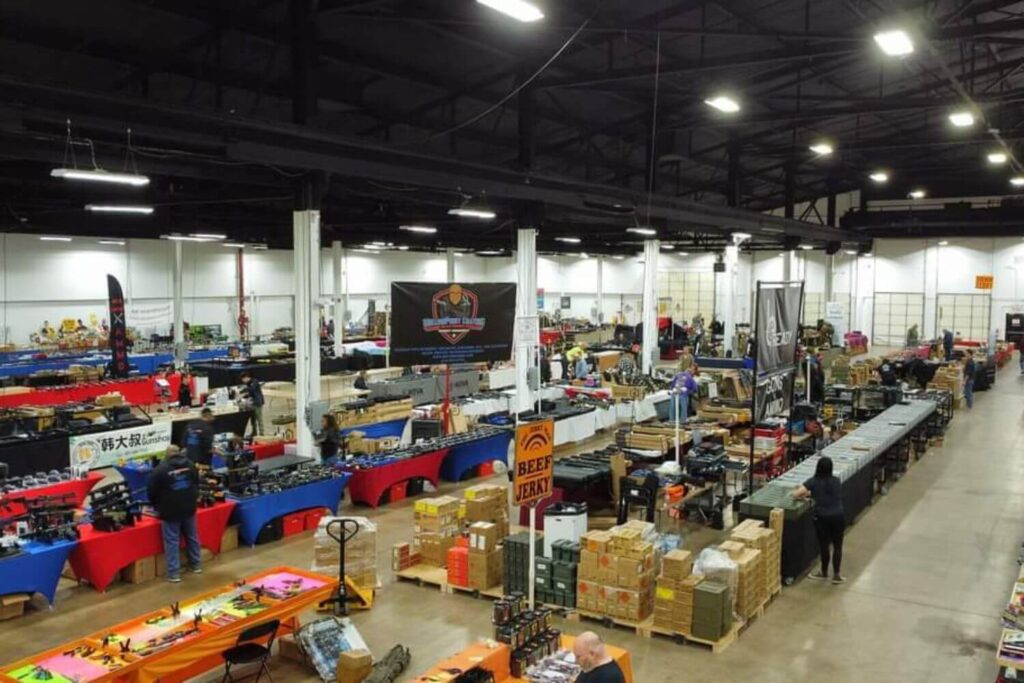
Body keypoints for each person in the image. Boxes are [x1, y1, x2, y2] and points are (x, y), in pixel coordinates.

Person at [146, 445, 201, 583]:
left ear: (166, 455)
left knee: (172, 541)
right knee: (192, 536)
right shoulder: (190, 465)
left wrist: (156, 505)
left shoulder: (159, 470)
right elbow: (196, 483)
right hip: (189, 507)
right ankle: (196, 565)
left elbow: (151, 492)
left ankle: (174, 573)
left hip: (169, 510)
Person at [792, 456, 846, 584]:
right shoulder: (836, 481)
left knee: (824, 546)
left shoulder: (813, 481)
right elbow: (828, 493)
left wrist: (804, 494)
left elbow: (796, 494)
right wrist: (812, 493)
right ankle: (837, 575)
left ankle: (824, 572)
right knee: (838, 546)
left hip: (822, 518)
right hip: (838, 516)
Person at [240, 371, 265, 436]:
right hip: (252, 403)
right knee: (253, 420)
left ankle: (262, 434)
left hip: (257, 403)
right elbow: (250, 393)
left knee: (259, 419)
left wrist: (244, 390)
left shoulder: (254, 382)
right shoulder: (248, 384)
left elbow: (252, 389)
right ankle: (254, 433)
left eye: (243, 379)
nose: (243, 381)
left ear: (246, 377)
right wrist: (244, 396)